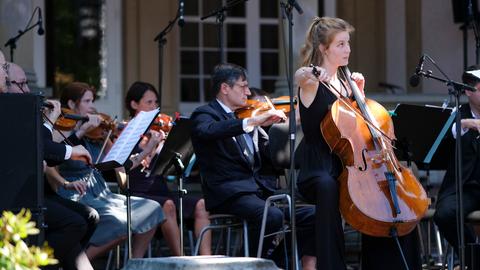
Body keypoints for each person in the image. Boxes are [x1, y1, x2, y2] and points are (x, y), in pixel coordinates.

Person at [295, 16, 421, 270]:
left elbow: (362, 130)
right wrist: (315, 72)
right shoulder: (310, 83)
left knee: (385, 191)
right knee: (328, 187)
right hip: (319, 166)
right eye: (340, 44)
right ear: (323, 48)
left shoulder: (346, 82)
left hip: (350, 162)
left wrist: (359, 96)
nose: (348, 49)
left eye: (348, 43)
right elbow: (300, 74)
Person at [190, 63, 316, 269]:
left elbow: (269, 158)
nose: (248, 92)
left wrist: (276, 130)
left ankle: (275, 263)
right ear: (225, 88)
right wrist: (252, 122)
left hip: (256, 192)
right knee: (271, 216)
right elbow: (209, 131)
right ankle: (244, 266)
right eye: (243, 86)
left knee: (314, 216)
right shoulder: (205, 114)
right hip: (227, 193)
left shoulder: (244, 117)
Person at [48, 82, 170, 259]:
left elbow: (122, 166)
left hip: (102, 193)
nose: (92, 107)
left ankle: (134, 264)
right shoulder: (60, 131)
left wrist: (147, 148)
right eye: (87, 101)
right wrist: (81, 131)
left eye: (93, 101)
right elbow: (50, 166)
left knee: (152, 209)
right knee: (120, 223)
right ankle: (79, 262)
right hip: (77, 193)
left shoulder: (97, 133)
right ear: (72, 104)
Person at [1, 61, 98, 270]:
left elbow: (45, 152)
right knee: (74, 223)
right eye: (21, 84)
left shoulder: (19, 108)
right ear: (6, 84)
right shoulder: (8, 108)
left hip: (34, 191)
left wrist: (49, 126)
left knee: (89, 217)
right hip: (16, 196)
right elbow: (39, 147)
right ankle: (33, 265)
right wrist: (70, 148)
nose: (27, 90)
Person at [124, 81, 211, 255]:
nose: (154, 107)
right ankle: (181, 259)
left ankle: (206, 259)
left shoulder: (157, 130)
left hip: (161, 190)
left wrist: (170, 142)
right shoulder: (125, 132)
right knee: (169, 205)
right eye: (149, 102)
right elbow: (136, 165)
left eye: (156, 102)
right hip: (138, 192)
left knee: (202, 204)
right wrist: (151, 147)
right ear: (134, 104)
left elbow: (167, 163)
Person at [434, 65, 480, 269]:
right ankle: (474, 257)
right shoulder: (457, 116)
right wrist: (464, 124)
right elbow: (440, 146)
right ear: (469, 91)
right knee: (444, 214)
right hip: (466, 187)